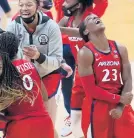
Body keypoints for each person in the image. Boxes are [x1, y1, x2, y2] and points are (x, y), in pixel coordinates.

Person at [6, 0, 63, 138]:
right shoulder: (13, 27)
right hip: (23, 78)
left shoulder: (51, 27)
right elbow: (7, 57)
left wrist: (38, 57)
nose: (24, 8)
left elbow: (57, 62)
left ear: (38, 6)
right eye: (21, 5)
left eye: (29, 4)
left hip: (47, 76)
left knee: (46, 121)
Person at [78, 13, 134, 138]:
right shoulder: (85, 53)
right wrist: (119, 99)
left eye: (96, 16)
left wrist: (120, 106)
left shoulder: (120, 48)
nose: (96, 17)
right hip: (97, 107)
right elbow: (91, 90)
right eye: (90, 18)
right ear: (86, 30)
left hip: (120, 105)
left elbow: (128, 78)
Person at [59, 0, 108, 137]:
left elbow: (83, 32)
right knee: (76, 111)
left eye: (68, 1)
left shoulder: (91, 19)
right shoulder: (67, 20)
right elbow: (53, 30)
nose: (64, 3)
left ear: (78, 5)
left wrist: (60, 29)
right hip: (81, 73)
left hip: (97, 73)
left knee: (99, 113)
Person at [0, 32, 54, 138]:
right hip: (44, 123)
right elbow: (44, 97)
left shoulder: (4, 72)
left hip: (19, 127)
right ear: (17, 48)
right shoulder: (30, 65)